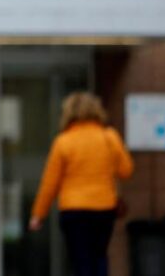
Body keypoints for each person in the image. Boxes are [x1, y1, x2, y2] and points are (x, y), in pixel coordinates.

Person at [29, 91, 134, 276]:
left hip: (73, 209)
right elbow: (126, 170)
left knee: (80, 260)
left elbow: (50, 182)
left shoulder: (63, 142)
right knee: (100, 256)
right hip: (103, 208)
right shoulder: (109, 137)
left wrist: (38, 214)